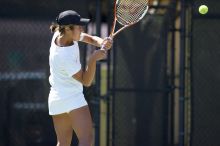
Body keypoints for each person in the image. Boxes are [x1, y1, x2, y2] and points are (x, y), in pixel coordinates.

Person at [48, 10, 112, 146]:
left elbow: (89, 38)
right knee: (86, 139)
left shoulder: (60, 34)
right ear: (69, 29)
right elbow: (86, 81)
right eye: (79, 27)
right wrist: (93, 60)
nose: (82, 29)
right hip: (72, 97)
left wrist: (102, 42)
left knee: (63, 142)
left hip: (56, 100)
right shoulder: (64, 56)